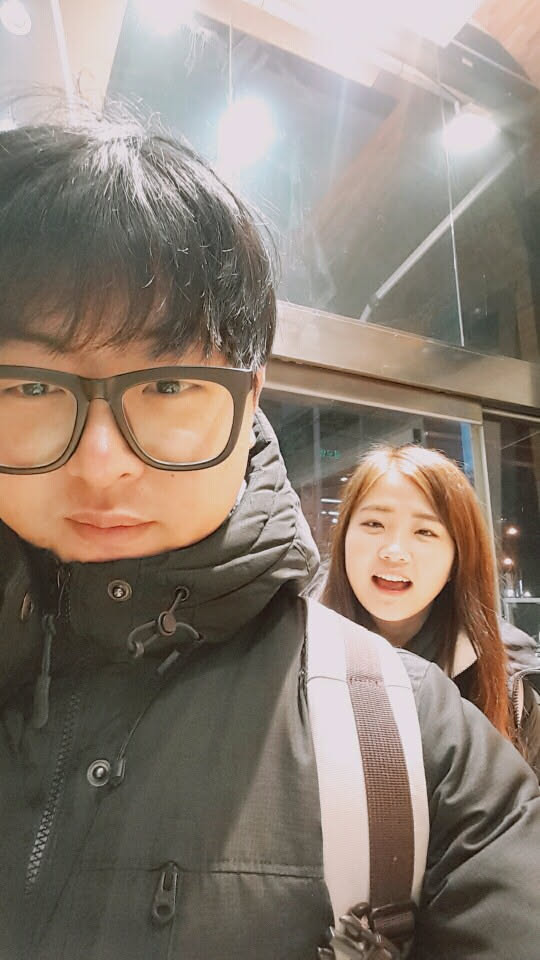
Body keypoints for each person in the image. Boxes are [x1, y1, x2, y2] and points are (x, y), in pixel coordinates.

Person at [0, 114, 539, 960]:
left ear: (251, 398)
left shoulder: (414, 737)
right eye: (31, 384)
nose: (101, 465)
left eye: (168, 384)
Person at [322, 444, 540, 777]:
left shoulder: (511, 681)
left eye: (425, 531)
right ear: (344, 540)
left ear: (457, 559)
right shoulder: (295, 653)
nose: (394, 552)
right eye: (374, 524)